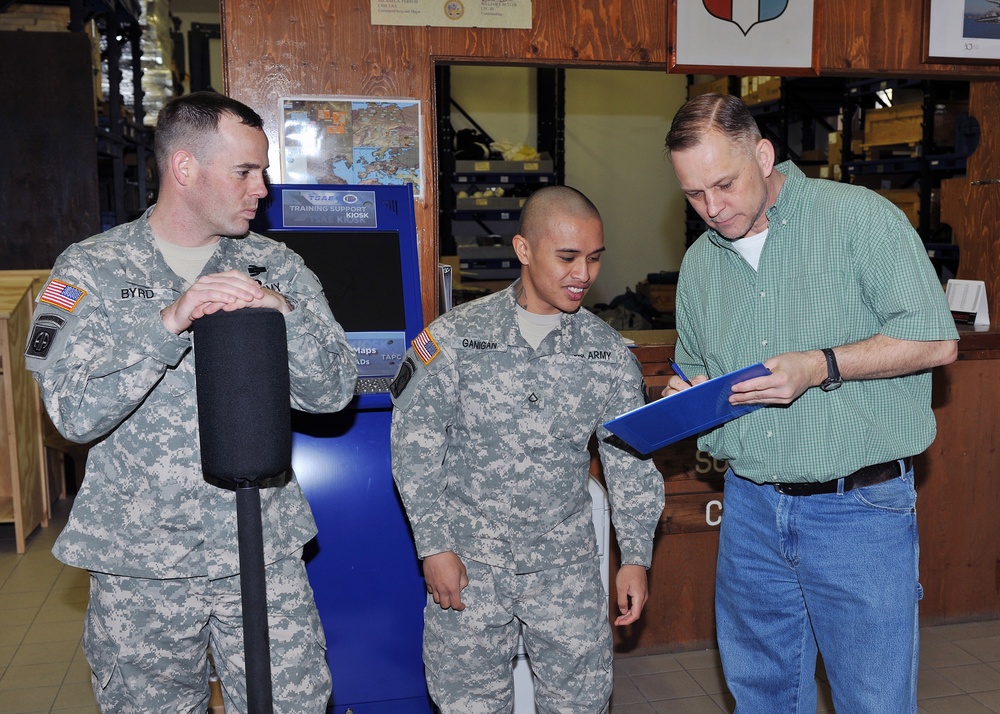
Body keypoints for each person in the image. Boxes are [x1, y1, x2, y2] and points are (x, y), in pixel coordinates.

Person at [24, 91, 357, 713]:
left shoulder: (274, 266)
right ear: (184, 168)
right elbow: (70, 413)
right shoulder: (91, 271)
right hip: (140, 567)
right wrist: (167, 324)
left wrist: (281, 314)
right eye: (245, 171)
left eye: (263, 171)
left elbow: (333, 391)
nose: (262, 188)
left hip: (259, 551)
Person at [663, 93, 959, 713]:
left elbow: (934, 341)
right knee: (763, 695)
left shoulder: (860, 220)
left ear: (764, 155)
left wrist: (821, 365)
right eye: (694, 195)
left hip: (860, 512)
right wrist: (684, 396)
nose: (713, 209)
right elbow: (694, 367)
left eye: (725, 184)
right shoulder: (699, 265)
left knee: (872, 700)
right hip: (749, 509)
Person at [388, 185, 665, 712]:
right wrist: (434, 546)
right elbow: (415, 449)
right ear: (523, 250)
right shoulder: (455, 340)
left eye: (594, 258)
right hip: (470, 566)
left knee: (580, 704)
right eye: (567, 257)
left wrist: (635, 558)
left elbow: (630, 464)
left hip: (565, 571)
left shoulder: (605, 354)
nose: (583, 273)